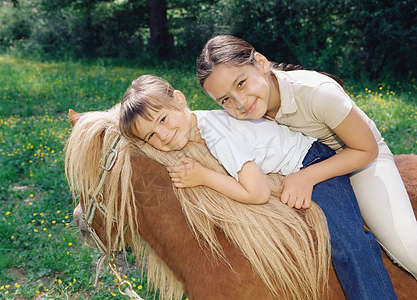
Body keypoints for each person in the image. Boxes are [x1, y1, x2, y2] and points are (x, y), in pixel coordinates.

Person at [118, 74, 396, 300]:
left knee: (348, 244)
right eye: (151, 136)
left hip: (312, 162)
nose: (163, 136)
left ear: (179, 100)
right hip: (287, 167)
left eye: (163, 120)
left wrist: (203, 177)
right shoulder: (196, 123)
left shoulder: (216, 134)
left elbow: (257, 193)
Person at [196, 34, 417, 280]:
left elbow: (366, 150)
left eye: (241, 83)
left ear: (260, 63)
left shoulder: (317, 93)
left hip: (357, 160)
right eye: (225, 99)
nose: (240, 102)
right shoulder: (244, 112)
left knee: (406, 248)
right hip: (306, 160)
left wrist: (306, 177)